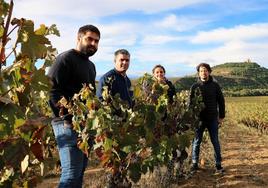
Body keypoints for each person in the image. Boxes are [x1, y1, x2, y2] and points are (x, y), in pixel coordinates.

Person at [48, 24, 100, 188]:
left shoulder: (91, 66)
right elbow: (52, 90)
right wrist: (68, 118)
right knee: (70, 175)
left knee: (79, 173)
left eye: (96, 41)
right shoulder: (65, 59)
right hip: (66, 124)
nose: (93, 43)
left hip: (84, 126)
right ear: (79, 38)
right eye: (89, 39)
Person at [190, 63, 225, 174]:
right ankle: (194, 163)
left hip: (212, 119)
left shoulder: (215, 85)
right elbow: (189, 104)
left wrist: (221, 116)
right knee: (196, 142)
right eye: (201, 71)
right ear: (198, 73)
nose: (203, 73)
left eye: (205, 70)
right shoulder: (195, 86)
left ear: (209, 72)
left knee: (215, 141)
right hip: (199, 120)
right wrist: (191, 118)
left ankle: (218, 164)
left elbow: (221, 101)